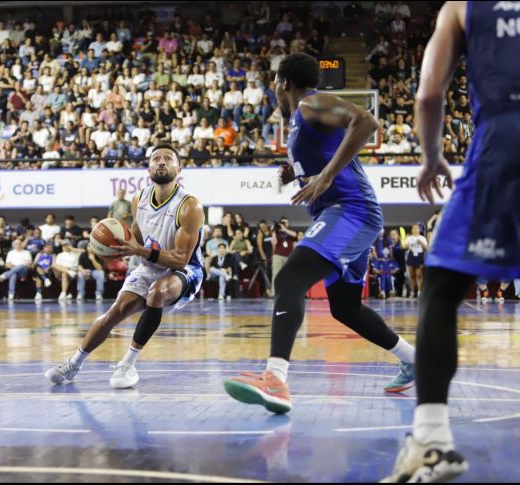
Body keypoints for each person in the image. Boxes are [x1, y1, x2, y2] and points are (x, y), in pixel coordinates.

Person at [224, 53, 417, 415]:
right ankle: (413, 360)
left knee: (291, 278)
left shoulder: (312, 102)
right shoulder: (300, 121)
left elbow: (366, 121)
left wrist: (326, 174)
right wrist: (294, 171)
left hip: (351, 210)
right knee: (344, 308)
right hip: (346, 213)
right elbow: (322, 154)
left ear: (282, 83)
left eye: (274, 84)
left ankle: (276, 378)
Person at [385, 3, 520, 481]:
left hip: (504, 144)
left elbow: (427, 96)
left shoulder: (463, 7)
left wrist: (432, 157)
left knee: (441, 288)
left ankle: (432, 441)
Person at [45, 144, 205, 389]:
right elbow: (138, 238)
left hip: (185, 271)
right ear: (148, 167)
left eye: (168, 158)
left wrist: (139, 250)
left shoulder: (189, 205)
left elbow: (180, 258)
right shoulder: (139, 199)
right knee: (115, 312)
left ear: (179, 168)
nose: (161, 162)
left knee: (157, 292)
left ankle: (128, 364)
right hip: (150, 263)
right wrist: (113, 246)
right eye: (156, 158)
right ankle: (73, 364)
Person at [404, 223, 428, 298]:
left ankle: (419, 291)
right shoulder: (409, 238)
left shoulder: (422, 238)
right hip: (411, 255)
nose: (415, 230)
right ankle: (411, 291)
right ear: (412, 229)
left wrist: (421, 243)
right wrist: (407, 245)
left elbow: (426, 248)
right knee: (412, 275)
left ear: (419, 229)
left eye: (417, 228)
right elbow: (405, 247)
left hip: (419, 256)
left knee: (419, 275)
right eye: (414, 228)